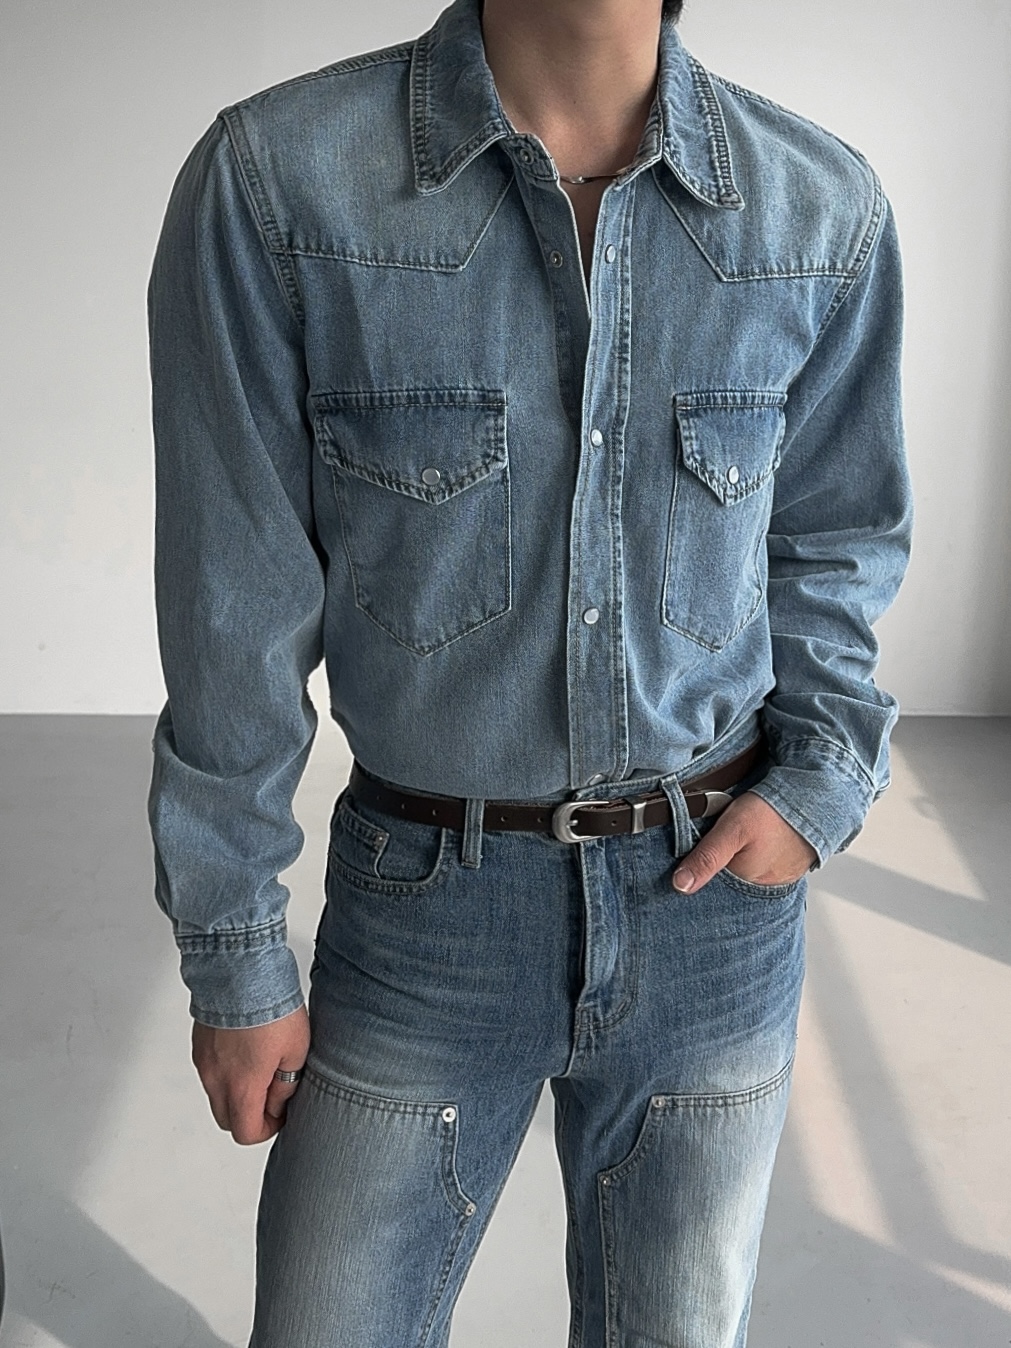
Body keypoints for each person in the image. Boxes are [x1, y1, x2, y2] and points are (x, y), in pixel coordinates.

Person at [146, 0, 913, 1342]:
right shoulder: (279, 182)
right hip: (427, 911)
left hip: (713, 912)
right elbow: (233, 602)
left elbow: (837, 537)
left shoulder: (820, 208)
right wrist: (238, 956)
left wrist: (819, 786)